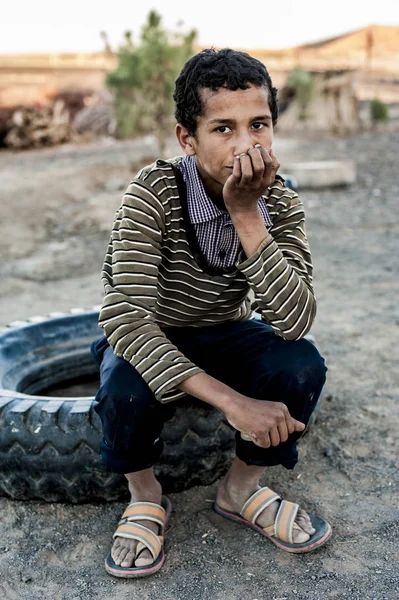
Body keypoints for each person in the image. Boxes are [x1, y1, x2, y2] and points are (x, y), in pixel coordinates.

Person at [90, 48, 331, 578]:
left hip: (225, 331)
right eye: (223, 128)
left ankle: (241, 490)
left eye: (259, 125)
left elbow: (292, 320)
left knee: (300, 365)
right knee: (124, 388)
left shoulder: (281, 203)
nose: (247, 145)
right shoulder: (152, 193)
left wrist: (247, 213)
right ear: (187, 138)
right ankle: (147, 497)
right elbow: (127, 320)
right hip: (155, 331)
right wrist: (233, 402)